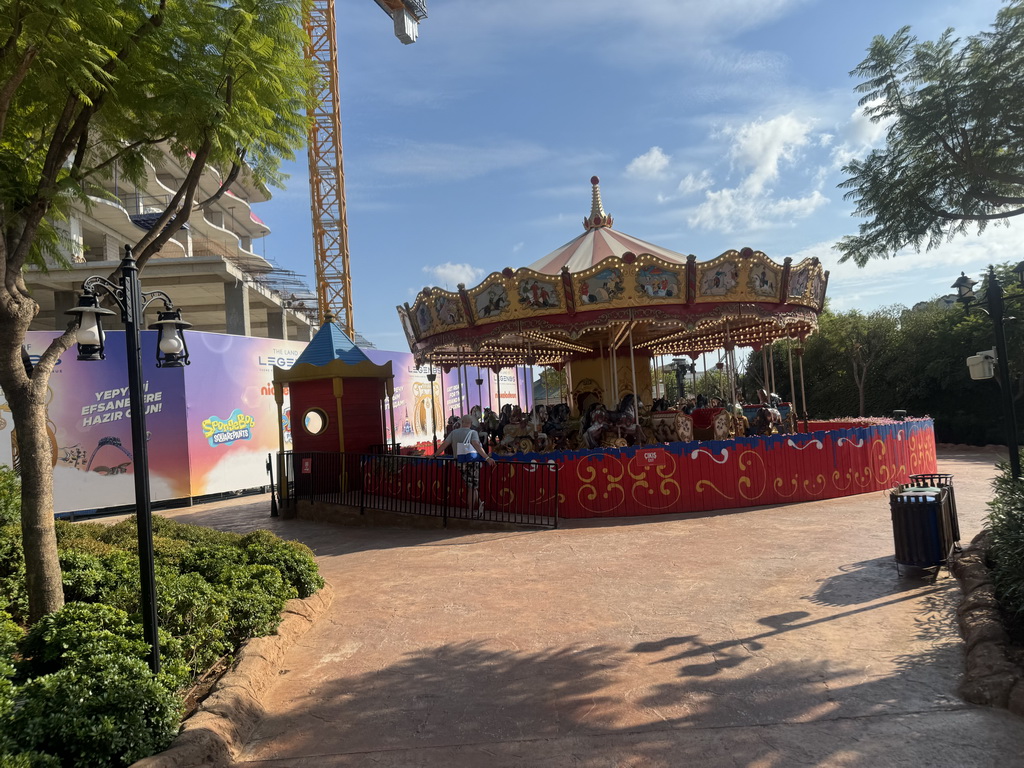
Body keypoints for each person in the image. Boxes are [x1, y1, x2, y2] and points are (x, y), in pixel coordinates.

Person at [437, 414, 496, 517]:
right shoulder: (473, 433)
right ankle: (471, 511)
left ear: (461, 422)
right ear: (471, 423)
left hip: (460, 462)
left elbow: (444, 445)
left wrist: (435, 455)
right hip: (472, 462)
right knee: (471, 487)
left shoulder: (454, 433)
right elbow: (476, 445)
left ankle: (479, 503)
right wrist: (487, 458)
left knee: (472, 486)